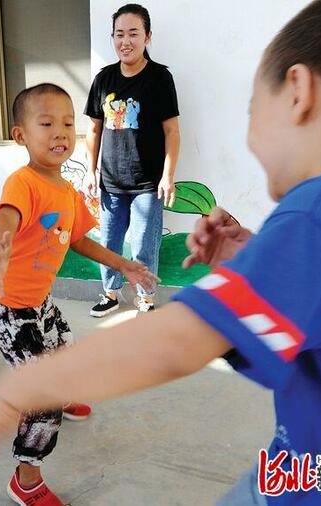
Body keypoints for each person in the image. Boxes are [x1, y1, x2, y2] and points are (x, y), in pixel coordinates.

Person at [0, 1, 321, 504]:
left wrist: (8, 397)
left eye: (252, 113)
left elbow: (174, 342)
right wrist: (257, 261)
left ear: (299, 93)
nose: (251, 140)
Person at [0, 83, 159, 506]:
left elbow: (78, 239)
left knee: (67, 349)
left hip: (40, 301)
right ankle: (26, 480)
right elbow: (7, 217)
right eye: (47, 123)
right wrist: (0, 247)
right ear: (21, 136)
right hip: (10, 308)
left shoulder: (66, 189)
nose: (60, 133)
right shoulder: (23, 182)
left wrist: (122, 263)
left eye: (68, 123)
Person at [84, 3, 180, 317]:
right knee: (109, 243)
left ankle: (146, 298)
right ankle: (110, 294)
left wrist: (168, 175)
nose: (126, 41)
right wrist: (91, 170)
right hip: (110, 181)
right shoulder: (104, 78)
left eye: (133, 34)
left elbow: (172, 131)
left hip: (147, 183)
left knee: (144, 245)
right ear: (112, 38)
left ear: (147, 37)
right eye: (119, 34)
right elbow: (93, 128)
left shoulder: (159, 78)